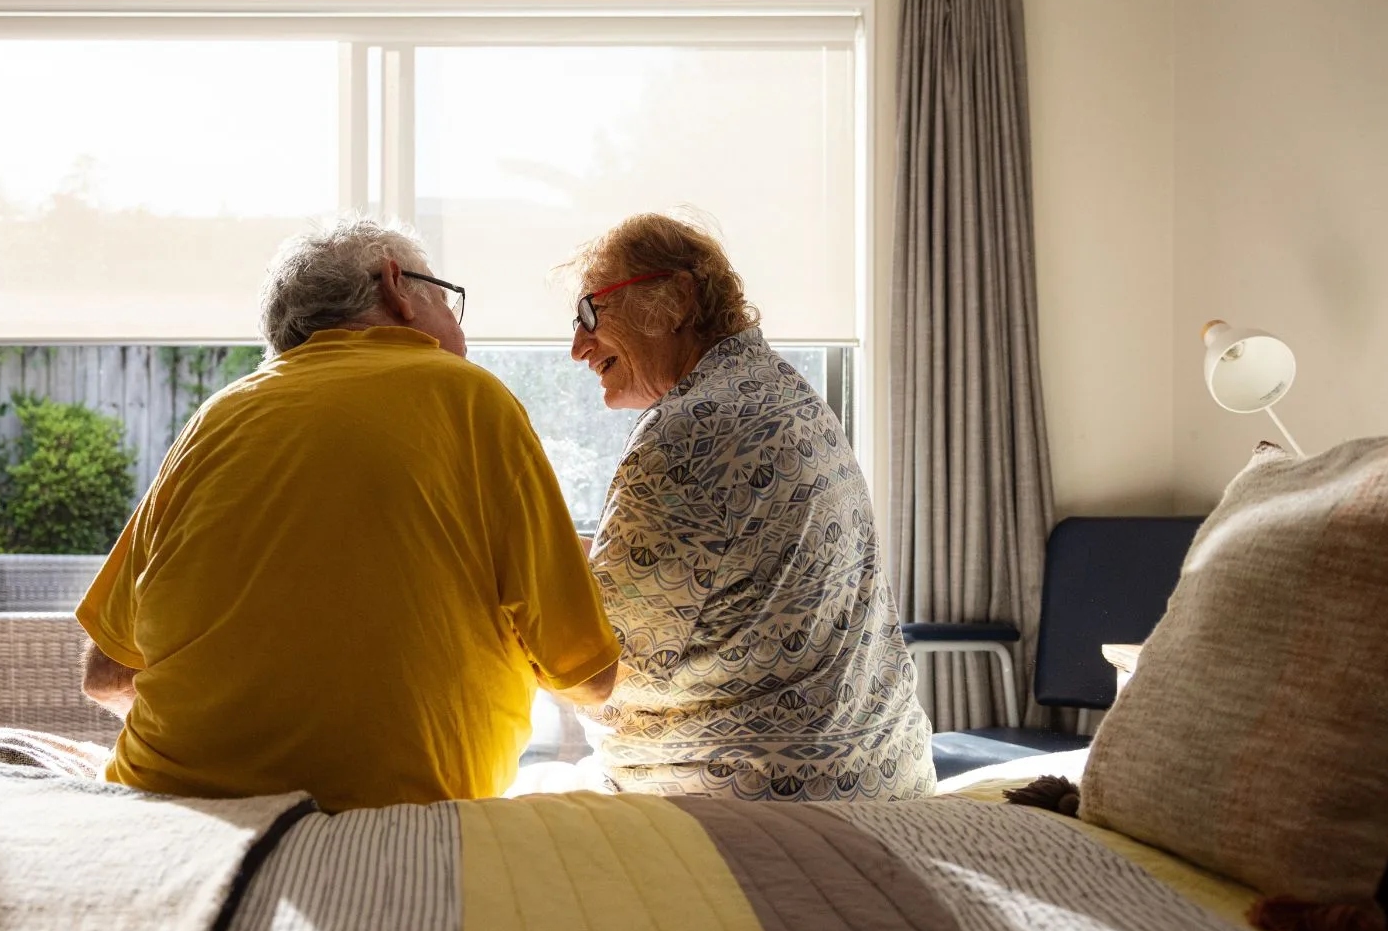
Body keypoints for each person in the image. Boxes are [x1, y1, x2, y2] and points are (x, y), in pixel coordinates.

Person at [77, 217, 618, 811]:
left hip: (169, 806)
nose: (461, 332)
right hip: (401, 811)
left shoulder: (217, 418)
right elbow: (588, 677)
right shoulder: (470, 398)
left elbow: (105, 677)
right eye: (448, 300)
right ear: (396, 286)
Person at [558, 211, 934, 801]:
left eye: (589, 313)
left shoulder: (686, 432)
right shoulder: (779, 391)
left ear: (676, 298)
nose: (577, 347)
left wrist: (487, 588)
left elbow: (595, 668)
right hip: (884, 777)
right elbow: (687, 574)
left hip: (768, 799)